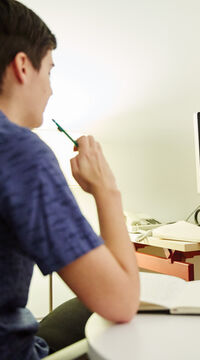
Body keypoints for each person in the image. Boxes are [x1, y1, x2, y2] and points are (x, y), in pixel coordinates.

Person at [0, 1, 140, 359]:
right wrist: (107, 189)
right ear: (22, 66)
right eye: (49, 71)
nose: (50, 90)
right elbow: (121, 301)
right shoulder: (21, 154)